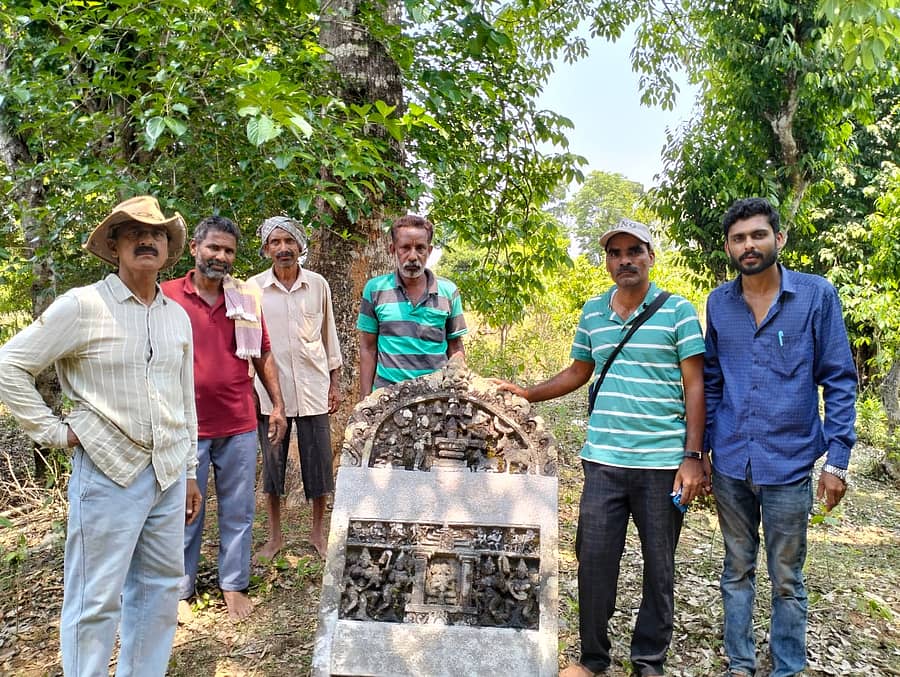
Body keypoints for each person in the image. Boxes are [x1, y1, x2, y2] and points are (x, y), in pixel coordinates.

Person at [495, 219, 707, 677]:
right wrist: (527, 393)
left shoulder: (679, 311)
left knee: (659, 568)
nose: (625, 260)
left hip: (663, 464)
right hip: (603, 463)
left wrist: (693, 458)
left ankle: (648, 660)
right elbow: (578, 371)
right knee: (593, 562)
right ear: (607, 261)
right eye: (616, 253)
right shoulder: (593, 312)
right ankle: (593, 659)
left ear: (651, 256)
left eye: (635, 251)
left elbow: (695, 386)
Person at [0, 195, 201, 676]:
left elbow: (183, 397)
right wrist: (54, 431)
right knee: (95, 597)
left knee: (159, 589)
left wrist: (191, 471)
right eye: (133, 232)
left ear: (168, 248)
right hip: (108, 472)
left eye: (155, 234)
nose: (146, 240)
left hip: (168, 473)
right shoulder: (83, 305)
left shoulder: (176, 316)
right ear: (114, 246)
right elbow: (10, 363)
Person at [704, 198, 857, 677]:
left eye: (757, 235)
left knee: (787, 578)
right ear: (728, 247)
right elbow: (712, 380)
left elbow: (839, 377)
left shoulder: (815, 296)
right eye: (739, 238)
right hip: (731, 461)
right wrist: (703, 450)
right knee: (736, 571)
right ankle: (740, 665)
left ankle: (787, 668)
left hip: (789, 464)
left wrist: (837, 461)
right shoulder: (718, 303)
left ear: (778, 239)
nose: (749, 245)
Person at [162, 215, 287, 621]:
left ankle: (233, 584)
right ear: (195, 247)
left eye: (229, 250)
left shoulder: (245, 298)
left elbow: (263, 352)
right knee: (183, 510)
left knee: (238, 508)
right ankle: (181, 590)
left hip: (237, 422)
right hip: (183, 428)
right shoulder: (166, 297)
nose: (220, 256)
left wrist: (278, 405)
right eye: (213, 247)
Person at [248, 216, 343, 560]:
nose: (283, 248)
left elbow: (328, 333)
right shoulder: (252, 289)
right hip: (270, 395)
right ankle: (275, 537)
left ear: (300, 246)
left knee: (318, 464)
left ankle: (318, 534)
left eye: (289, 241)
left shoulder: (317, 285)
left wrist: (335, 382)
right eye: (275, 242)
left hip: (314, 388)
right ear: (265, 249)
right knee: (273, 467)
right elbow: (248, 342)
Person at [357, 214, 467, 398]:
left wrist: (457, 389)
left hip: (435, 398)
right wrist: (365, 399)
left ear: (429, 250)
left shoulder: (448, 292)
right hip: (387, 397)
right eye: (405, 248)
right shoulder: (375, 290)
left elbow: (455, 347)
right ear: (393, 249)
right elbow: (368, 348)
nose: (413, 256)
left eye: (420, 248)